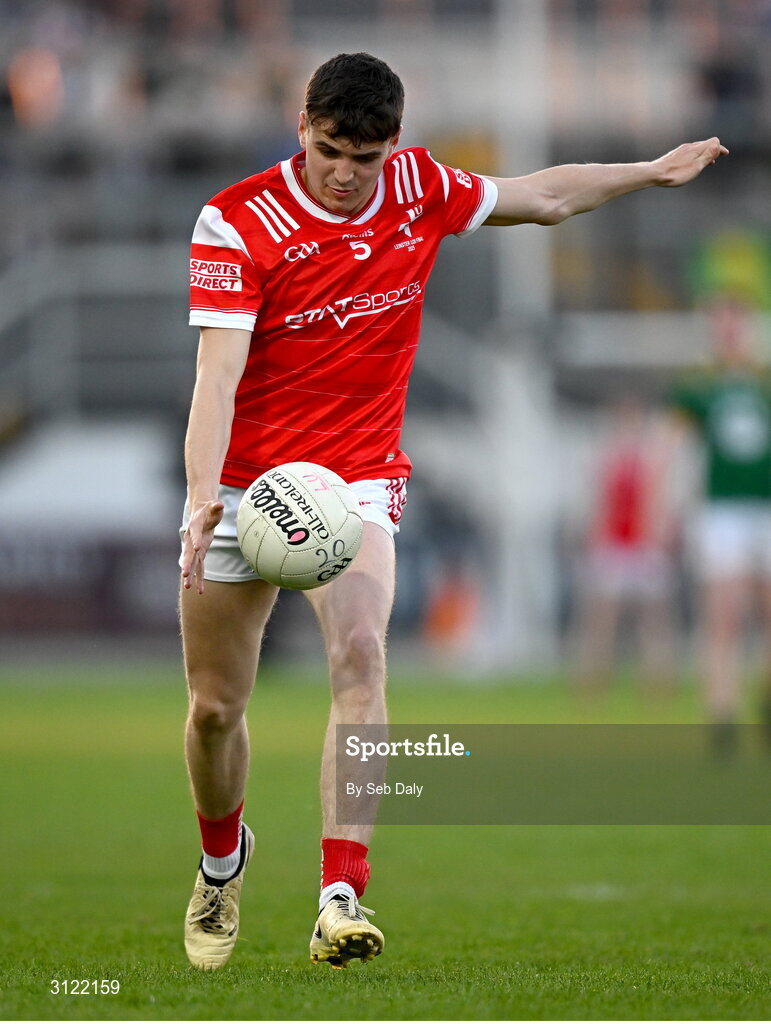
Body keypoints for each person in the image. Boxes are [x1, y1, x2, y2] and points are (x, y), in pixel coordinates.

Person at [179, 51, 727, 971]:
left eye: (366, 153)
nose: (346, 172)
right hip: (243, 485)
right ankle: (221, 860)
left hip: (355, 477)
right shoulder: (237, 221)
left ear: (393, 143)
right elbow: (217, 374)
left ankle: (339, 893)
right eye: (328, 150)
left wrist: (648, 169)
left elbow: (543, 194)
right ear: (300, 127)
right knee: (211, 711)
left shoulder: (420, 187)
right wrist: (201, 495)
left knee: (361, 653)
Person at [669, 297, 771, 753]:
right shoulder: (700, 384)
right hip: (721, 511)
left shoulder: (763, 381)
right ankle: (721, 709)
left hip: (764, 507)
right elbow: (670, 446)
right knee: (723, 615)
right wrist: (663, 509)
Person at [570, 395, 678, 693]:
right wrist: (594, 536)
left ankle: (657, 679)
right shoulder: (605, 456)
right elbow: (599, 501)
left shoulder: (651, 457)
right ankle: (594, 678)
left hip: (643, 545)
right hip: (613, 545)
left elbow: (657, 500)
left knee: (652, 619)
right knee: (601, 618)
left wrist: (659, 534)